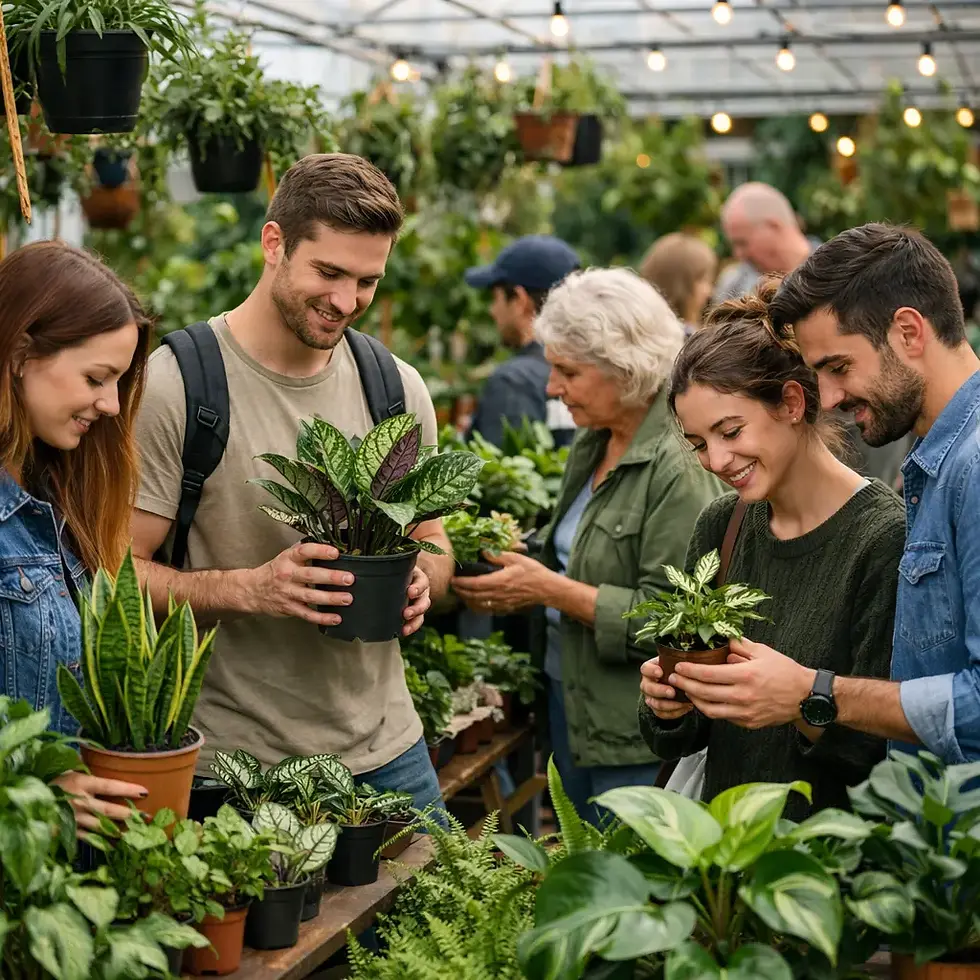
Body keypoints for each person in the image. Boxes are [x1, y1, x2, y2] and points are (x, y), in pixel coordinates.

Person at [129, 154, 452, 812]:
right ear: (273, 243)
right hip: (232, 762)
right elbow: (113, 576)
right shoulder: (179, 386)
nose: (346, 301)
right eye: (329, 272)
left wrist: (422, 583)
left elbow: (435, 544)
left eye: (367, 281)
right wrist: (254, 588)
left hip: (387, 748)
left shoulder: (394, 389)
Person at [452, 268, 722, 824]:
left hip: (631, 730)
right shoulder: (595, 440)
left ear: (624, 368)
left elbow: (674, 622)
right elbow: (580, 559)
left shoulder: (679, 466)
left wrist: (546, 588)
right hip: (570, 702)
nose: (552, 387)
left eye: (567, 371)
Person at [637, 283, 905, 818]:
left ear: (791, 401)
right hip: (719, 852)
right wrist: (668, 705)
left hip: (820, 863)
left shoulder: (883, 538)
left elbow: (883, 752)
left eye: (730, 431)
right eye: (698, 444)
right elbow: (681, 739)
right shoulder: (724, 524)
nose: (715, 459)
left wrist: (803, 702)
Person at [749, 221, 980, 766]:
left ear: (908, 331)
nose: (826, 398)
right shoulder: (936, 460)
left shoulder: (971, 467)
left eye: (838, 367)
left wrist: (817, 692)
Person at [0, 240, 154, 830]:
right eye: (97, 376)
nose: (113, 404)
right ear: (19, 353)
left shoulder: (59, 499)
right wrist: (35, 786)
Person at [718, 182, 909, 487]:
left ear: (773, 226)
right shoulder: (734, 287)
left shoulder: (849, 274)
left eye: (743, 242)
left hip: (862, 432)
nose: (739, 254)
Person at [464, 235, 580, 448]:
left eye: (495, 298)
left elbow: (498, 475)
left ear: (519, 299)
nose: (492, 311)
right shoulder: (595, 376)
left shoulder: (513, 382)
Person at [639, 232, 718, 335]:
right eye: (702, 280)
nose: (709, 291)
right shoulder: (683, 338)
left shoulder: (644, 331)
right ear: (679, 285)